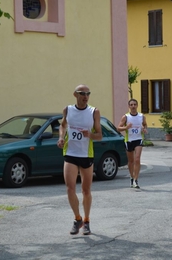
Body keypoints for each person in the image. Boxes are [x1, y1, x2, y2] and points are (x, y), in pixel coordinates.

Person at [57, 84, 102, 235]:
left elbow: (100, 135)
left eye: (88, 93)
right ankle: (78, 219)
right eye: (82, 93)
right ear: (75, 94)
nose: (85, 96)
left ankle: (87, 220)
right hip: (70, 153)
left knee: (85, 190)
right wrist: (61, 137)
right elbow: (62, 126)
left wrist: (89, 134)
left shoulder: (94, 112)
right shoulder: (68, 110)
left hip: (86, 154)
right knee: (70, 188)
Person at [117, 98, 148, 189]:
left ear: (137, 106)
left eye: (135, 104)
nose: (133, 106)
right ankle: (131, 177)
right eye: (131, 105)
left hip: (139, 139)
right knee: (131, 161)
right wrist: (126, 127)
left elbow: (145, 124)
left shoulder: (141, 116)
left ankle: (136, 179)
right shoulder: (125, 117)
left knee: (137, 159)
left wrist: (144, 128)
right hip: (129, 140)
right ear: (129, 106)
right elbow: (118, 128)